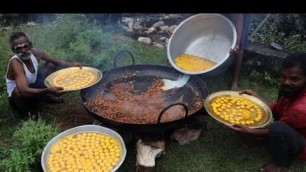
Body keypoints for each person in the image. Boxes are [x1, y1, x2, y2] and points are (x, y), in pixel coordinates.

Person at [227, 53, 306, 172]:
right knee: (283, 93)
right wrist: (256, 96)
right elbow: (277, 108)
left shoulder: (300, 109)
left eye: (294, 79)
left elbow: (275, 129)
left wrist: (251, 131)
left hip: (303, 145)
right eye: (283, 76)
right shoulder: (292, 91)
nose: (286, 82)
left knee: (277, 128)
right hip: (291, 123)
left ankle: (279, 163)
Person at [5, 31, 83, 117]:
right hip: (19, 97)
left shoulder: (36, 53)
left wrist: (71, 65)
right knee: (18, 92)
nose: (23, 50)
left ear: (30, 45)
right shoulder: (15, 63)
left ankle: (45, 97)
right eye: (19, 48)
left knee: (51, 65)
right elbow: (24, 90)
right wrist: (48, 90)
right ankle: (27, 114)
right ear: (13, 50)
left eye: (25, 46)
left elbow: (55, 61)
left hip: (32, 85)